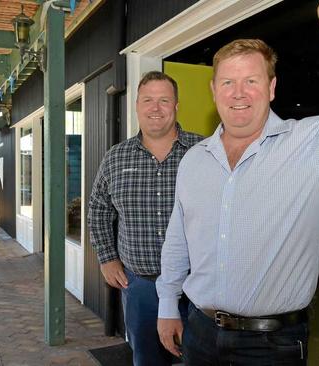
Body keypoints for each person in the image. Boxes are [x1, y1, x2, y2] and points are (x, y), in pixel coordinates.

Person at [156, 0, 319, 364]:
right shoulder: (193, 161)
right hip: (199, 333)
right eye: (228, 82)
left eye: (251, 81)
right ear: (213, 90)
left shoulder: (316, 146)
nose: (238, 93)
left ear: (271, 87)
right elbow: (178, 240)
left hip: (273, 346)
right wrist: (167, 304)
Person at [88, 71, 203, 366]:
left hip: (197, 287)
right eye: (148, 100)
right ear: (137, 106)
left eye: (164, 100)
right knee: (147, 360)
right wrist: (106, 257)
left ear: (176, 106)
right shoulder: (116, 157)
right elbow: (98, 208)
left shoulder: (204, 152)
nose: (156, 108)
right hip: (140, 286)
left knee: (199, 359)